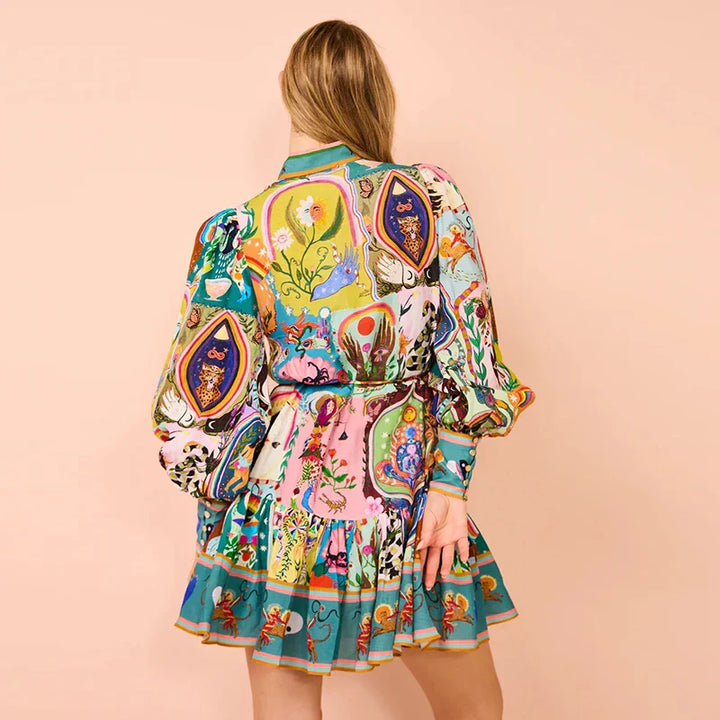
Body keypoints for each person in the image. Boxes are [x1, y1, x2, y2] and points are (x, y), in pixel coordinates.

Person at [150, 18, 536, 720]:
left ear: (287, 90)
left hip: (280, 508)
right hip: (405, 491)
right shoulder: (424, 198)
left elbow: (201, 407)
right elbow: (467, 347)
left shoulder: (235, 231)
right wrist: (450, 482)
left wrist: (222, 523)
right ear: (374, 93)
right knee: (476, 710)